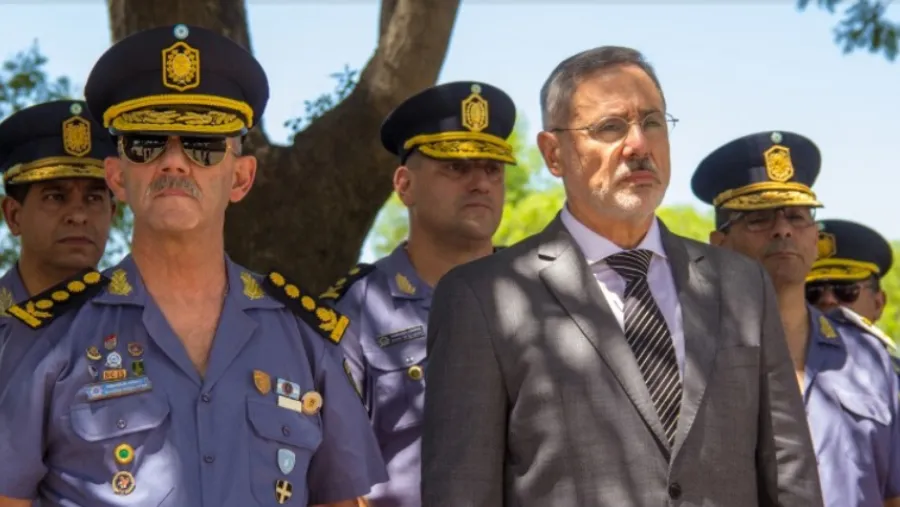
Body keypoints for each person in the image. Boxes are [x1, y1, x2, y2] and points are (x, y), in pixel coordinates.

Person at [0, 24, 386, 507]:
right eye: (147, 142)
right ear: (117, 176)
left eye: (203, 145)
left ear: (241, 178)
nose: (175, 162)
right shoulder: (44, 338)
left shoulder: (306, 339)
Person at [420, 45, 823, 507]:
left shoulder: (741, 285)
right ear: (554, 154)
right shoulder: (483, 298)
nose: (639, 145)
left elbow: (790, 472)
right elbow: (462, 490)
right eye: (611, 127)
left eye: (653, 122)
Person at [320, 81, 516, 507]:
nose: (481, 182)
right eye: (456, 167)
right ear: (404, 185)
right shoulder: (354, 311)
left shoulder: (539, 295)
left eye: (492, 169)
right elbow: (332, 478)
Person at [693, 130, 900, 507]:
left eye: (797, 216)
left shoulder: (870, 360)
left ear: (815, 239)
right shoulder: (684, 353)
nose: (783, 228)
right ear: (718, 244)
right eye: (758, 218)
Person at [0, 99, 116, 391]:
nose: (78, 215)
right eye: (55, 196)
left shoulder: (143, 323)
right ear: (13, 215)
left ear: (112, 214)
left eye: (94, 198)